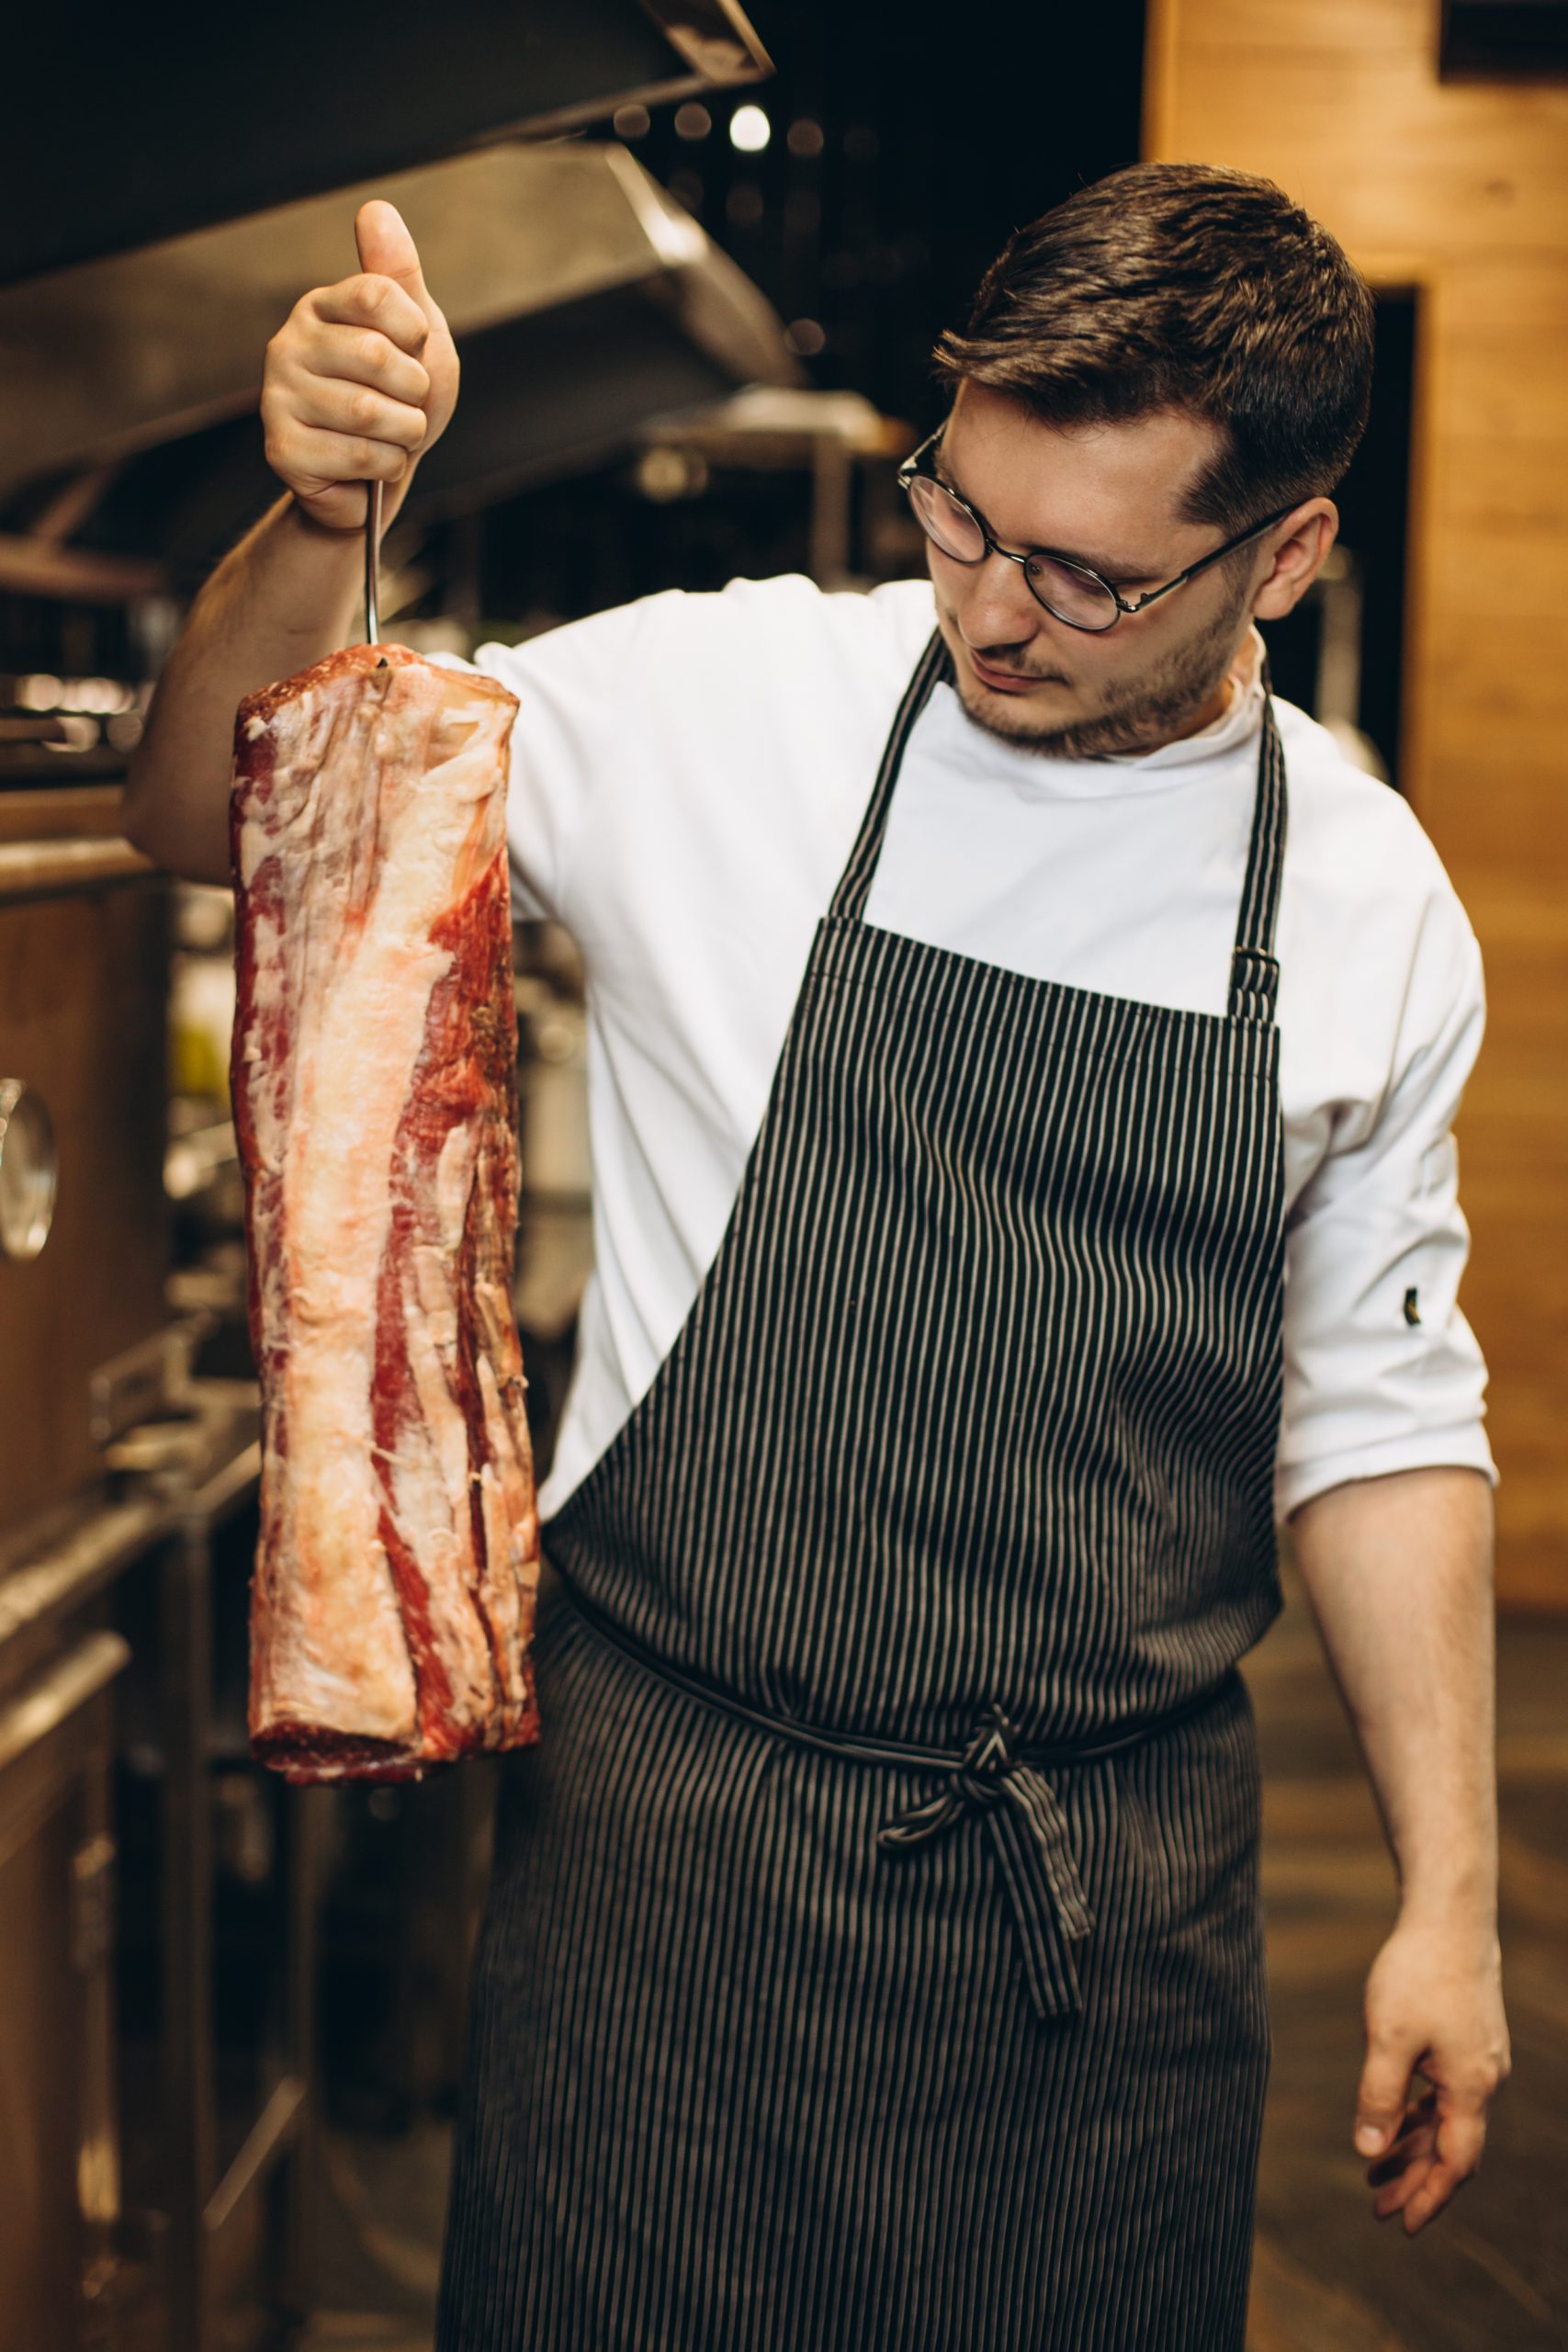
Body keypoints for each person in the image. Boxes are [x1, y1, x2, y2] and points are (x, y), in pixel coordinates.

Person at [124, 159, 1511, 2352]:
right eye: (960, 514)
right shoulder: (734, 706)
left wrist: (1451, 1891)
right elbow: (217, 808)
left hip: (1097, 1924)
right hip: (664, 1872)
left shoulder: (1356, 897)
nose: (991, 610)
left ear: (1281, 552)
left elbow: (1378, 1405)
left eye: (1084, 572)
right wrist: (314, 520)